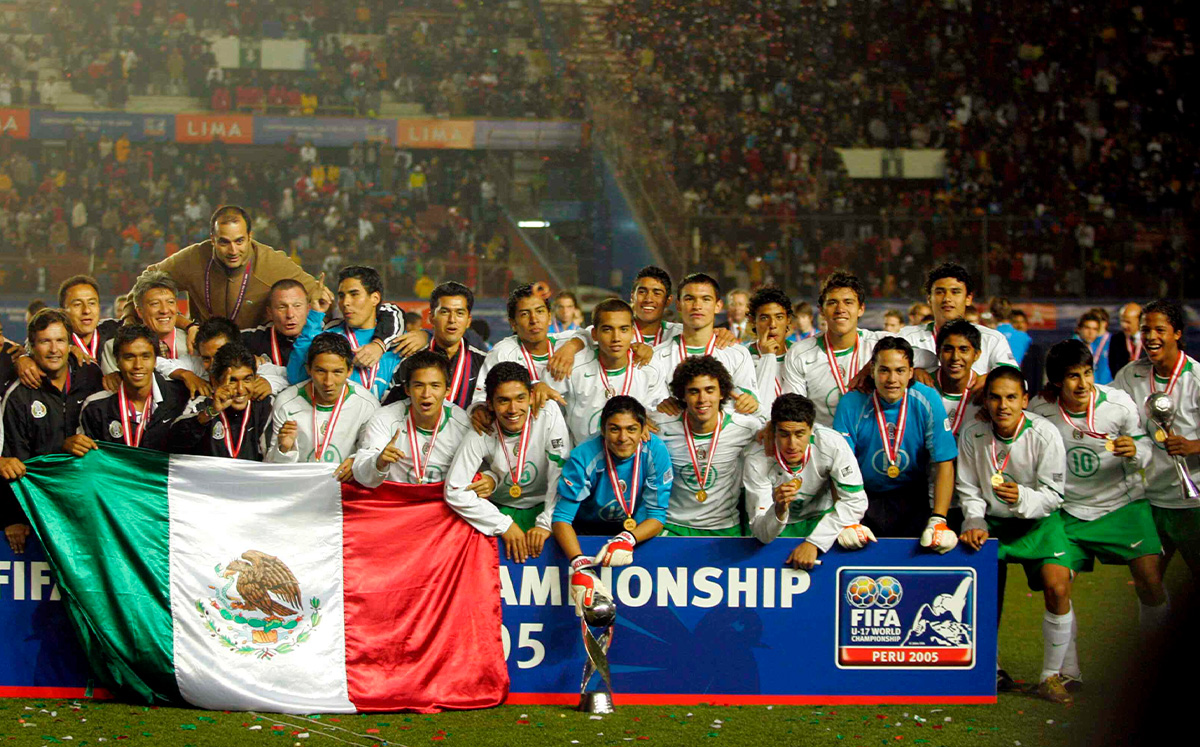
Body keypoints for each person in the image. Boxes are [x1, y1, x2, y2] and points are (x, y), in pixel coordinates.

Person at [1030, 339, 1167, 692]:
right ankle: (1067, 673)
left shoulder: (1118, 403)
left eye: (1087, 373)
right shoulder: (1040, 409)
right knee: (1055, 585)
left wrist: (1136, 449)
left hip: (1122, 503)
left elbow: (1148, 446)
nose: (1082, 383)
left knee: (1151, 582)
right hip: (1067, 511)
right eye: (1073, 376)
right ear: (1057, 380)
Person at [126, 205, 402, 364]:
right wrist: (183, 325)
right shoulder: (192, 259)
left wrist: (386, 340)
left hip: (254, 359)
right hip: (204, 356)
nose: (232, 250)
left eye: (239, 241)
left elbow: (329, 301)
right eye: (223, 242)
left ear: (250, 236)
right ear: (212, 240)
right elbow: (144, 285)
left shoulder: (272, 263)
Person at [956, 366, 1073, 704]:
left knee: (1057, 586)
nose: (1002, 405)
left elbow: (1054, 495)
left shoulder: (1044, 433)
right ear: (986, 400)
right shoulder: (972, 433)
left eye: (1010, 397)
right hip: (991, 523)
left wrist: (1023, 498)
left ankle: (1051, 677)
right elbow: (968, 487)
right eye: (994, 397)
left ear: (1024, 399)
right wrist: (974, 520)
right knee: (980, 594)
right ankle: (987, 670)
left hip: (1038, 521)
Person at [832, 336, 958, 552]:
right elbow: (837, 465)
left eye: (900, 371)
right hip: (863, 498)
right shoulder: (851, 403)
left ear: (911, 372)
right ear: (872, 371)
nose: (892, 379)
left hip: (913, 499)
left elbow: (944, 460)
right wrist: (846, 518)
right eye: (884, 370)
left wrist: (939, 518)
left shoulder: (927, 399)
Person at [443, 362, 571, 562]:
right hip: (499, 508)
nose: (513, 409)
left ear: (531, 395)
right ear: (490, 404)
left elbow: (560, 471)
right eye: (503, 401)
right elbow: (454, 489)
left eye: (520, 398)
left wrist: (546, 523)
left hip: (545, 505)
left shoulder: (547, 412)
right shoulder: (482, 429)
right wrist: (503, 524)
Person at [1, 309, 102, 554]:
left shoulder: (91, 376)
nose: (54, 349)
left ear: (70, 344)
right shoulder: (19, 395)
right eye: (45, 341)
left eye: (60, 340)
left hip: (87, 506)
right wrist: (13, 517)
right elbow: (14, 461)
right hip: (43, 509)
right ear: (32, 347)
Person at [1113, 299, 1200, 575]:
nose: (1150, 336)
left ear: (1177, 333)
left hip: (1193, 503)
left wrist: (1192, 445)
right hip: (1147, 500)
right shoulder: (1131, 374)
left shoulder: (1197, 378)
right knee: (1148, 583)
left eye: (1159, 330)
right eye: (1145, 329)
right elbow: (1105, 409)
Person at [553, 396, 670, 584]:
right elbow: (561, 519)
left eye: (631, 429)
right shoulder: (584, 456)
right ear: (603, 429)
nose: (623, 438)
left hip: (634, 531)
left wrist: (627, 539)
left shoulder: (655, 451)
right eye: (615, 429)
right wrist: (579, 564)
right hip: (586, 532)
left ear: (643, 430)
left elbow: (656, 516)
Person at [743, 394, 868, 568]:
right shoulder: (756, 459)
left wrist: (815, 543)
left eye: (800, 434)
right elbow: (762, 533)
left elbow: (856, 501)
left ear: (811, 429)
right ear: (773, 431)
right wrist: (777, 510)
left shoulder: (832, 443)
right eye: (784, 434)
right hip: (774, 529)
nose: (792, 444)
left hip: (821, 521)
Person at [651, 356, 764, 536]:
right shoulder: (660, 428)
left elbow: (778, 430)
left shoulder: (747, 428)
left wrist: (759, 409)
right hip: (673, 526)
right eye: (694, 391)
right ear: (682, 395)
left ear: (722, 393)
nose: (702, 399)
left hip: (724, 527)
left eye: (710, 390)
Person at [781, 271, 896, 427]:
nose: (840, 308)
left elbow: (922, 356)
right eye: (832, 302)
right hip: (825, 445)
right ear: (821, 310)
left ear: (861, 309)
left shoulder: (881, 345)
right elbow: (795, 412)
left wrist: (875, 363)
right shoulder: (800, 353)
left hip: (872, 446)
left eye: (848, 302)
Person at [266, 332, 379, 481]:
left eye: (337, 372)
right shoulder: (286, 402)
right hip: (300, 488)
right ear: (308, 369)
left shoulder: (367, 405)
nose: (328, 382)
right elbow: (271, 469)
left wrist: (358, 462)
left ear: (349, 370)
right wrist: (284, 450)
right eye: (320, 371)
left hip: (343, 490)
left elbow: (371, 459)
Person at [353, 350, 473, 486]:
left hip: (443, 502)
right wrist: (378, 462)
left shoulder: (463, 424)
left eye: (435, 386)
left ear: (447, 390)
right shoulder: (384, 418)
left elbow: (479, 472)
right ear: (407, 390)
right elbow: (362, 476)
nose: (426, 394)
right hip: (396, 502)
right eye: (419, 385)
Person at [648, 273, 760, 415]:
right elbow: (649, 407)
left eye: (706, 299)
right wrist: (658, 407)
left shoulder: (738, 354)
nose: (697, 306)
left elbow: (752, 404)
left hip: (725, 435)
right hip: (674, 435)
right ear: (678, 305)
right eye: (689, 299)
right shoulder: (657, 357)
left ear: (718, 306)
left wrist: (750, 403)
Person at [287, 266, 402, 402]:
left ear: (375, 298)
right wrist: (315, 314)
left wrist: (423, 336)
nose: (345, 303)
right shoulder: (330, 336)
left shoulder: (398, 340)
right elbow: (296, 376)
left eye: (354, 294)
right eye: (341, 296)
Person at [75, 324, 192, 452]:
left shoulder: (181, 398)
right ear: (117, 361)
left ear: (155, 360)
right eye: (129, 357)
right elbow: (89, 463)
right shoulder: (96, 407)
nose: (138, 365)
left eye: (145, 356)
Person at [561, 299, 655, 444]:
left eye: (623, 329)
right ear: (594, 334)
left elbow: (656, 420)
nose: (616, 338)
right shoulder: (572, 368)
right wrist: (537, 386)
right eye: (607, 329)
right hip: (584, 461)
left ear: (632, 333)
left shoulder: (650, 369)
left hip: (633, 460)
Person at [383, 281, 486, 410]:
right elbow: (389, 409)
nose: (452, 320)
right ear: (431, 317)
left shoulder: (484, 363)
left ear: (468, 321)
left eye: (460, 313)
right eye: (444, 312)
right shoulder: (407, 358)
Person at [900, 262, 1016, 375]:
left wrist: (986, 380)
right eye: (940, 292)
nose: (947, 298)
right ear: (929, 299)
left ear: (968, 299)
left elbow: (1015, 383)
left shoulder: (992, 340)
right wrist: (913, 372)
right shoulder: (908, 337)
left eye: (955, 292)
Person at [470, 284, 571, 411]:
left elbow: (591, 333)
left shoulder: (568, 344)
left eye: (539, 311)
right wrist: (479, 409)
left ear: (549, 317)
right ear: (513, 323)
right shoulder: (502, 353)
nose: (534, 320)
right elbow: (481, 399)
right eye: (524, 314)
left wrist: (573, 346)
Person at [167, 343, 274, 460]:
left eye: (247, 380)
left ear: (255, 379)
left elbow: (272, 458)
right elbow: (173, 443)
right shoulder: (201, 404)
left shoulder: (265, 406)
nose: (240, 390)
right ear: (215, 381)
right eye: (232, 381)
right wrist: (211, 412)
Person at [15, 276, 119, 389]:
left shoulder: (114, 331)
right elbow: (31, 347)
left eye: (92, 303)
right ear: (63, 311)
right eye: (77, 304)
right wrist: (24, 358)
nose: (86, 310)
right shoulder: (55, 345)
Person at [933, 320, 984, 529]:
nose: (955, 357)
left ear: (977, 355)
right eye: (948, 349)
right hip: (926, 499)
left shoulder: (989, 394)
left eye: (964, 349)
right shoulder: (921, 390)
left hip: (974, 500)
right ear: (937, 352)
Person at [101, 271, 190, 378]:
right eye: (155, 304)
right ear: (139, 311)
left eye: (170, 302)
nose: (165, 310)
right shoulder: (115, 347)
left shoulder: (194, 344)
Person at [745, 287, 794, 414]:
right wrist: (767, 356)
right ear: (752, 321)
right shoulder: (742, 357)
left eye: (779, 317)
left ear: (788, 319)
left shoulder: (800, 354)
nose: (772, 324)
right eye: (764, 318)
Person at [240, 278, 309, 367]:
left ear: (308, 309)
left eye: (297, 306)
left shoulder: (322, 336)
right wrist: (242, 359)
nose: (290, 315)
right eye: (282, 307)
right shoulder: (252, 339)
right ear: (270, 312)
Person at [990, 297, 1031, 367]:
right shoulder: (1025, 337)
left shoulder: (989, 335)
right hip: (1016, 375)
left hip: (994, 375)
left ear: (992, 314)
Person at [1075, 311, 1113, 385]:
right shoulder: (1072, 349)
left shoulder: (1092, 347)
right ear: (1079, 329)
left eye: (1095, 329)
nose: (1091, 332)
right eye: (1087, 328)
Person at [1108, 302, 1143, 374]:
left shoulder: (1149, 339)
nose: (1123, 325)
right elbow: (1113, 365)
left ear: (1139, 321)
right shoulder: (1116, 339)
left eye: (1128, 322)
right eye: (1122, 321)